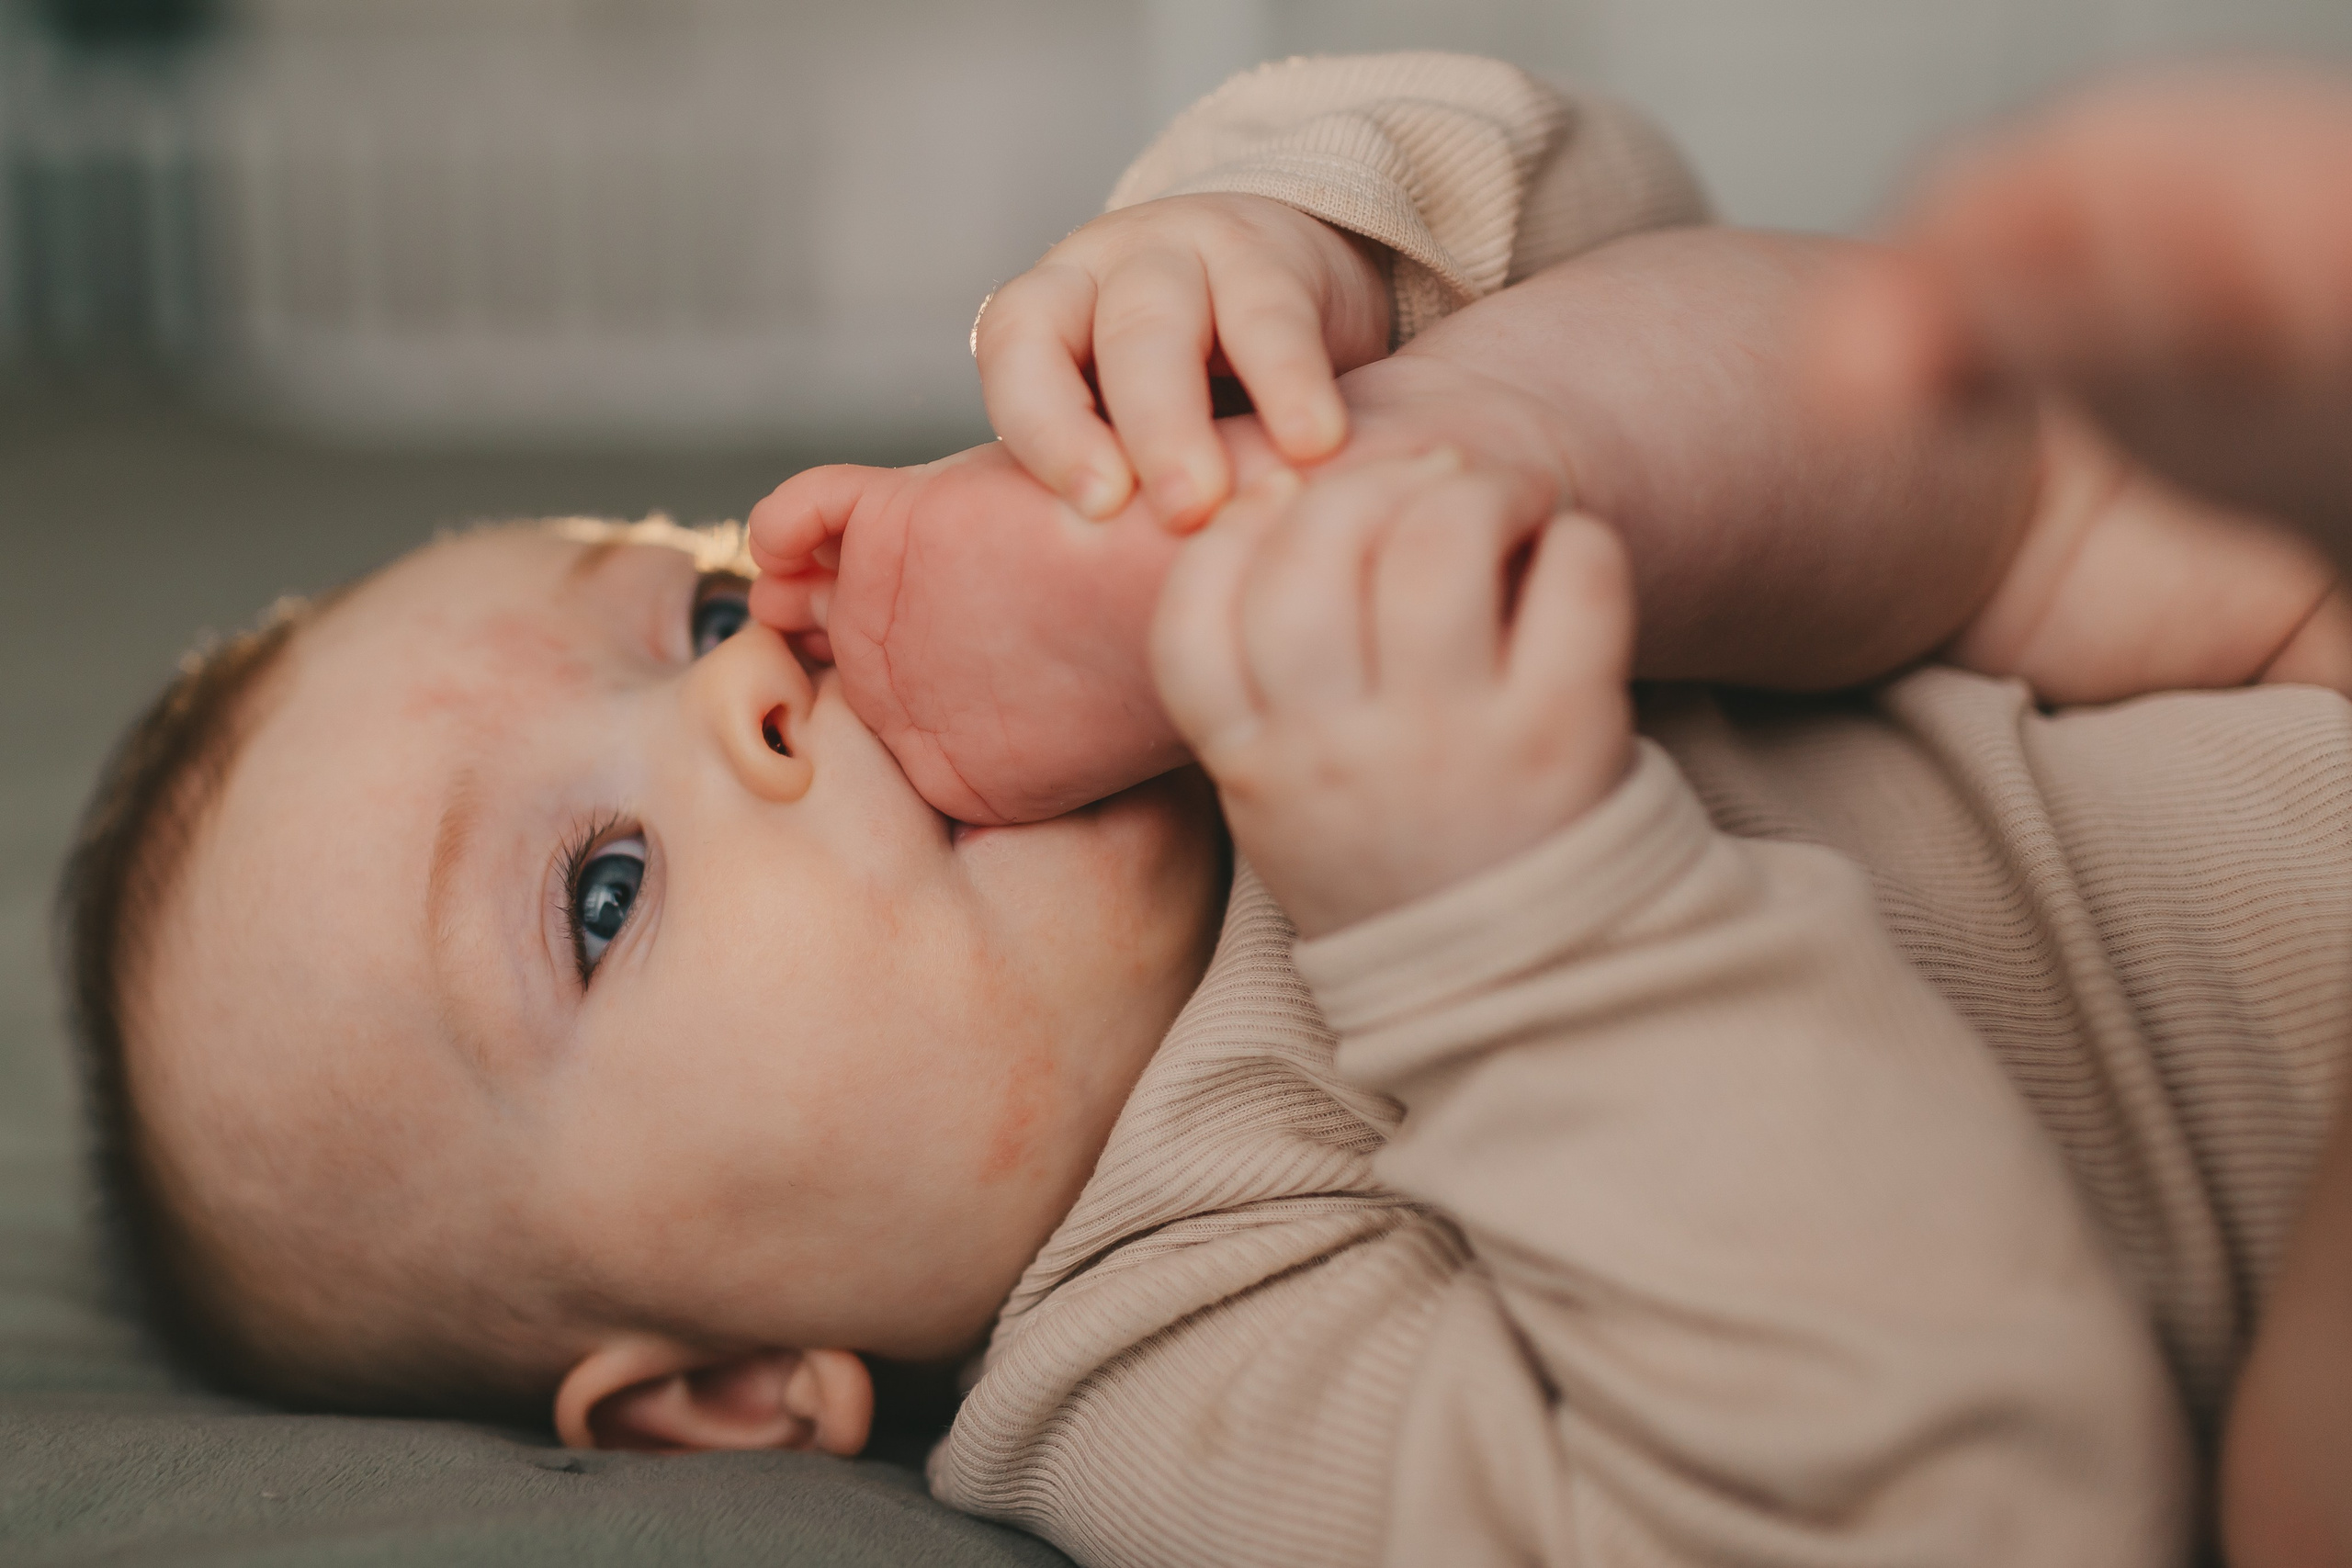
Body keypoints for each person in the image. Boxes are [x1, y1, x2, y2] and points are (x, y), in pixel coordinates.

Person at [53, 51, 2338, 1568]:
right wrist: (1502, 906)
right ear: (727, 1392)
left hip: (2211, 596)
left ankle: (1492, 433)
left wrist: (1278, 261)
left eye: (695, 605)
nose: (757, 676)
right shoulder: (1186, 1358)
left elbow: (1614, 194)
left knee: (1762, 393)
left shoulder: (1166, 590)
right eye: (601, 892)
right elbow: (1966, 1508)